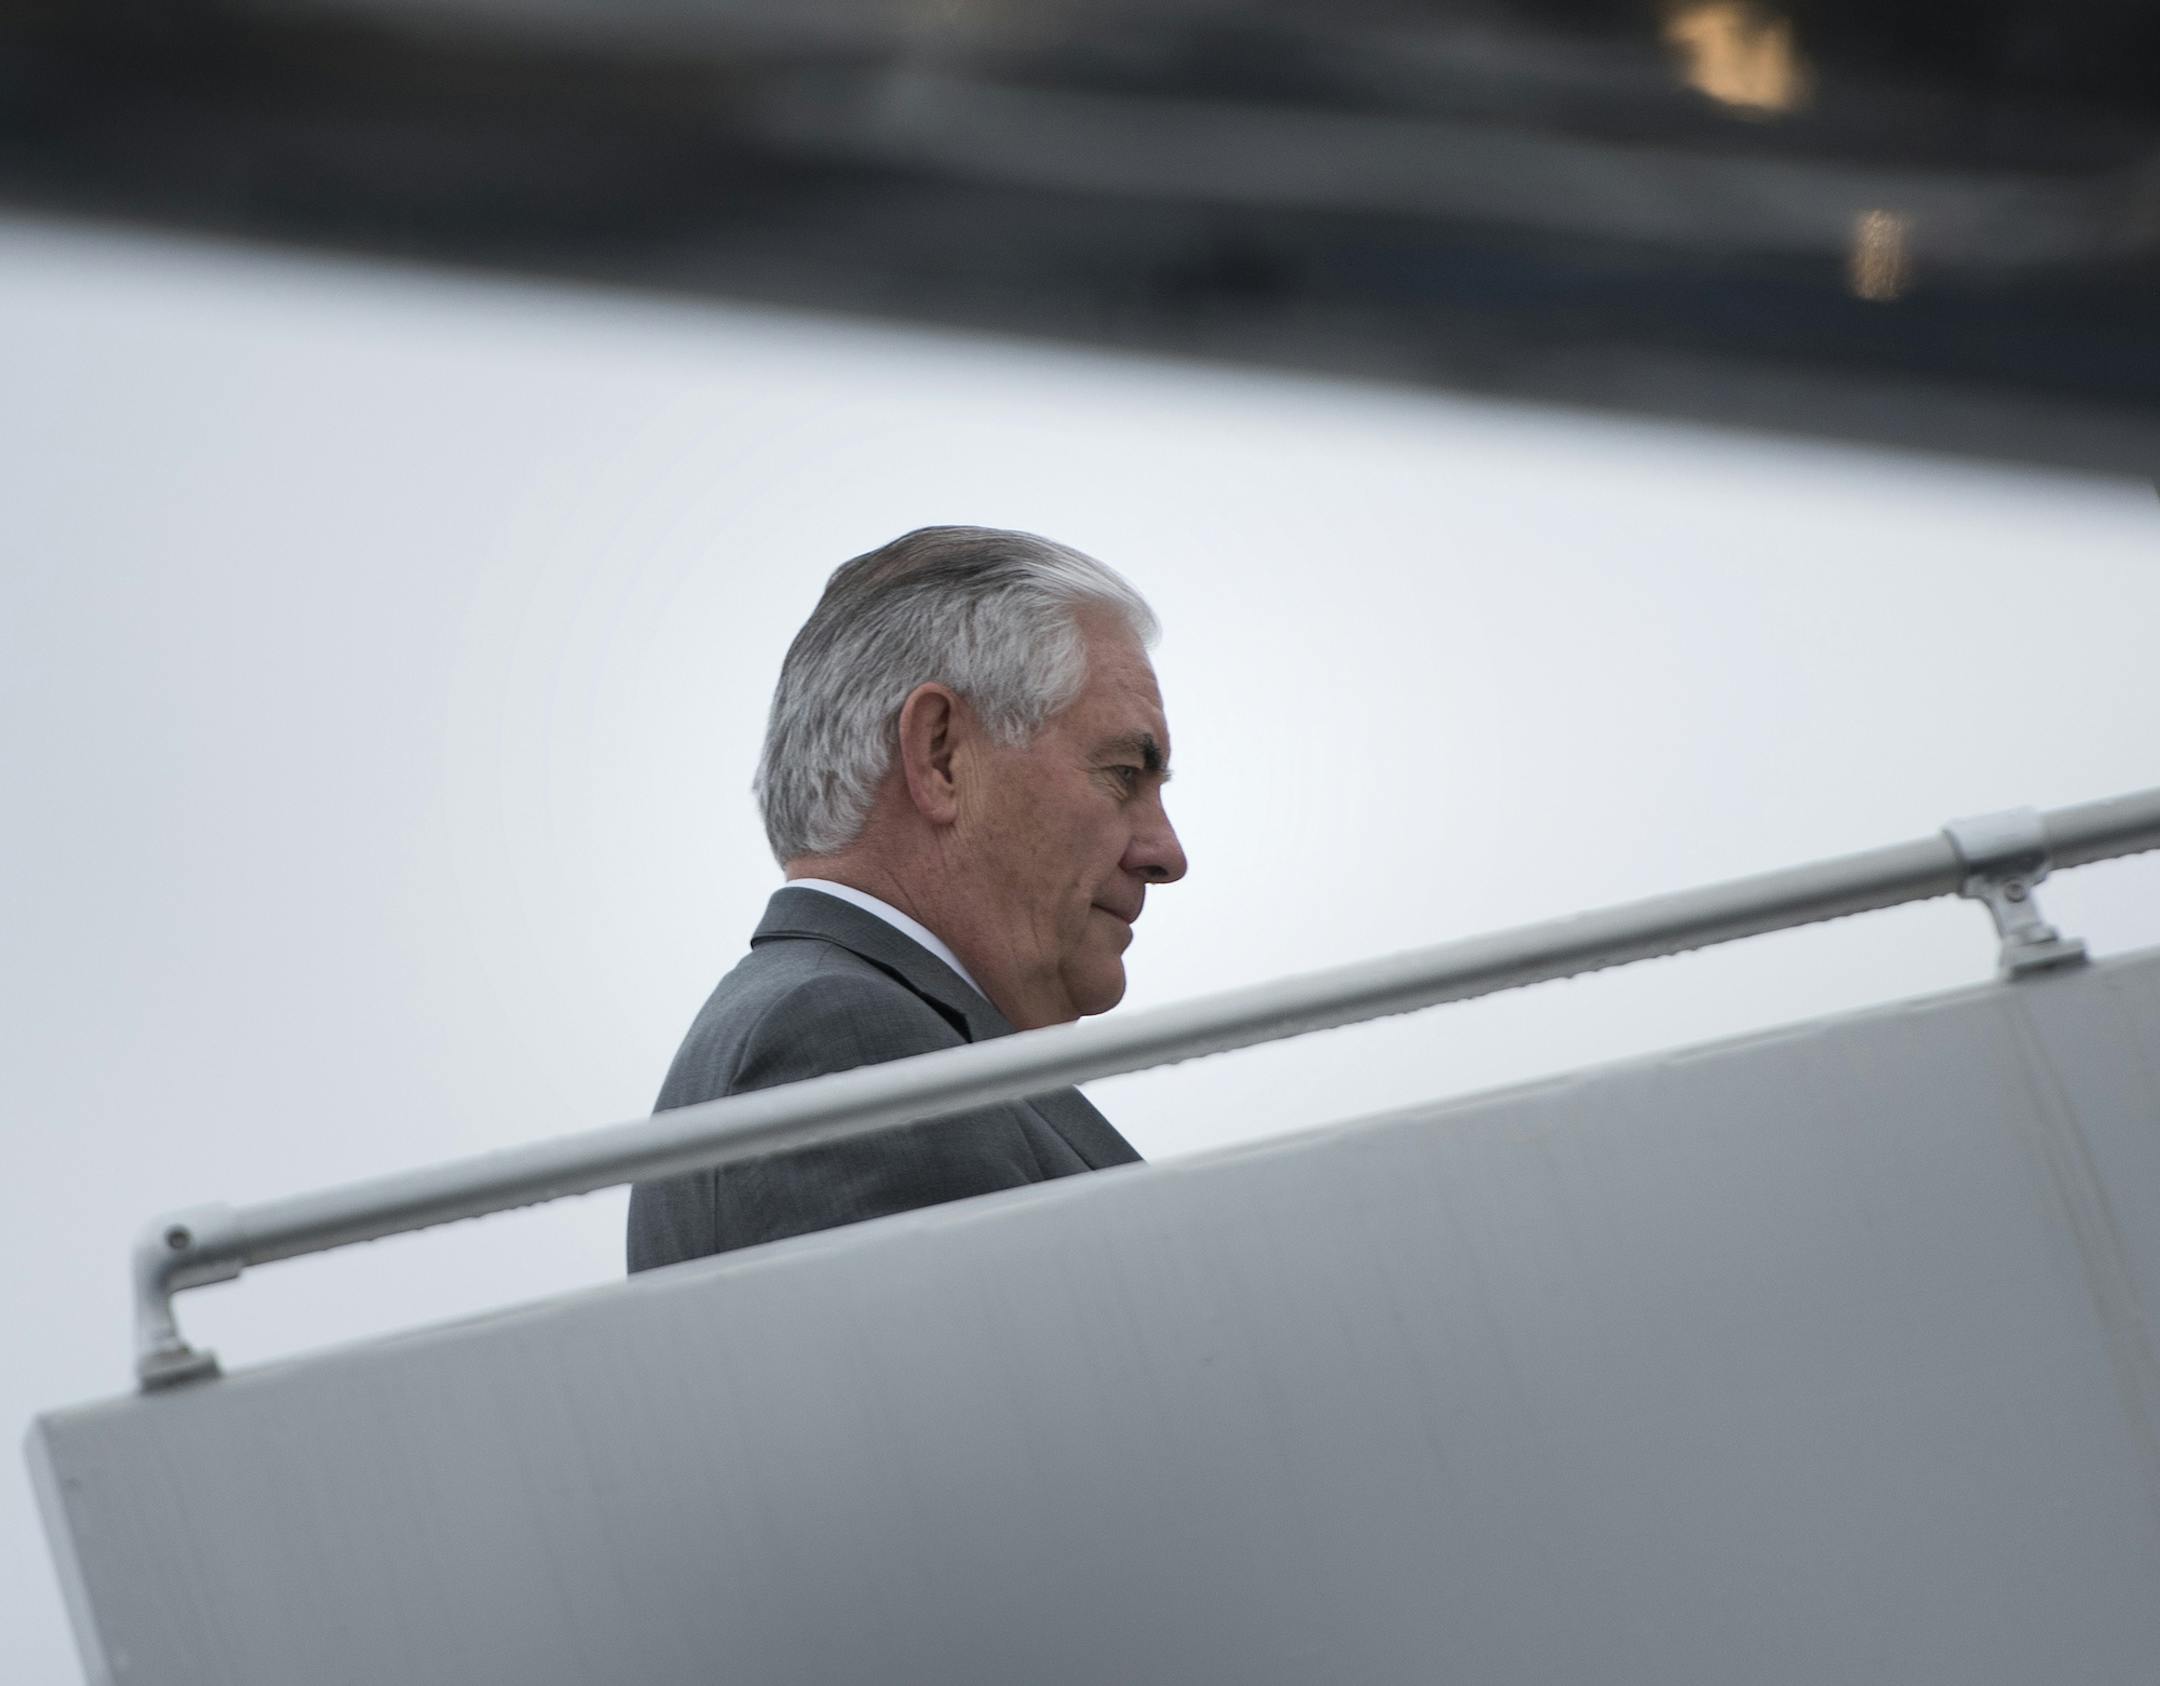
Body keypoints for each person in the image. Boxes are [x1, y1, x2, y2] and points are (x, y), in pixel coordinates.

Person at [626, 526, 1187, 1271]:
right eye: (1122, 773)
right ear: (941, 755)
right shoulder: (845, 1040)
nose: (1166, 854)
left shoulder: (838, 1026)